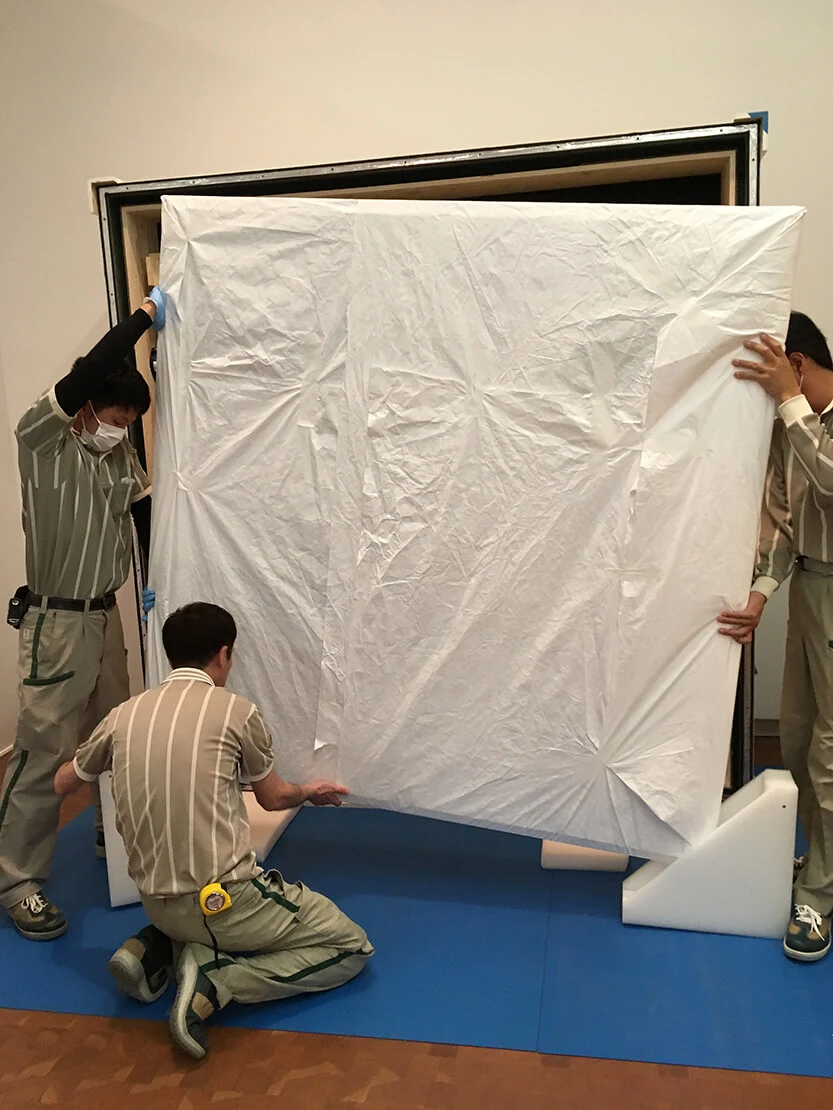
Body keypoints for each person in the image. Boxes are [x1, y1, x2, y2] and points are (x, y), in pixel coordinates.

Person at [54, 602, 373, 1060]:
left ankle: (152, 947)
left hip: (152, 899)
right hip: (222, 904)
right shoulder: (237, 712)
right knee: (351, 946)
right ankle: (216, 979)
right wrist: (309, 791)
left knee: (188, 910)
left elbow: (63, 784)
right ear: (224, 655)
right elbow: (272, 798)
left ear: (170, 656)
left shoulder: (122, 715)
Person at [0, 290, 164, 941]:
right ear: (87, 406)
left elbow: (143, 517)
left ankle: (111, 840)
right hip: (58, 622)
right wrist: (143, 318)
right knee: (43, 752)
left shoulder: (119, 454)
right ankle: (17, 880)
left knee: (113, 737)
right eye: (115, 415)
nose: (120, 428)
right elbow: (93, 366)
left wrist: (160, 585)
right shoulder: (42, 440)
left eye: (130, 420)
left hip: (106, 615)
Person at [719, 311, 833, 962]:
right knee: (795, 736)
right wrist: (761, 594)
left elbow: (830, 483)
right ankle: (820, 860)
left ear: (795, 363)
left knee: (828, 753)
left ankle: (818, 897)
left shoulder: (800, 419)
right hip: (810, 591)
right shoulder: (792, 428)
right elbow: (789, 520)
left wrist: (788, 402)